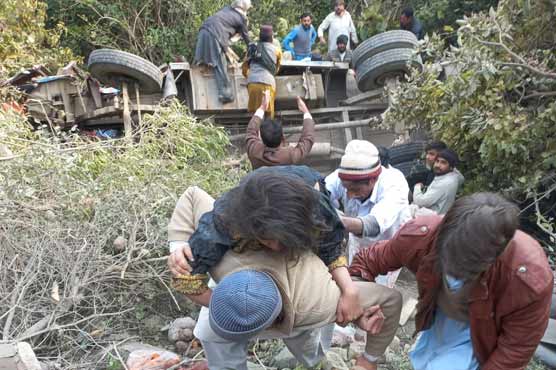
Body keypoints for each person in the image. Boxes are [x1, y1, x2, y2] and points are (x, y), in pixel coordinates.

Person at [167, 173, 403, 370]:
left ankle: (314, 360)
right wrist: (179, 248)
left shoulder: (319, 301)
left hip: (303, 287)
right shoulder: (220, 225)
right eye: (270, 241)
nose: (277, 248)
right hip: (234, 280)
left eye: (282, 242)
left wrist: (350, 293)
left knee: (311, 352)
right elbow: (192, 196)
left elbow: (333, 243)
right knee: (211, 334)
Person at [350, 192, 553, 370]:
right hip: (440, 316)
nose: (457, 273)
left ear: (493, 256)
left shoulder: (528, 280)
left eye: (468, 270)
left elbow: (515, 350)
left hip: (484, 330)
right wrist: (360, 307)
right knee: (426, 361)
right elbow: (367, 262)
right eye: (452, 262)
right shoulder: (422, 235)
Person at [325, 140, 411, 262]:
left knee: (378, 281)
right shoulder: (344, 176)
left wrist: (332, 220)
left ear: (372, 180)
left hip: (389, 249)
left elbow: (373, 225)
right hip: (359, 245)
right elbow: (322, 192)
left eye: (355, 190)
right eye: (346, 189)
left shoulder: (394, 184)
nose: (350, 195)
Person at [194, 0, 252, 103]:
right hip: (215, 35)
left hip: (203, 30)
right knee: (220, 64)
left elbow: (224, 35)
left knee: (200, 60)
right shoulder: (241, 19)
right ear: (245, 9)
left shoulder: (226, 10)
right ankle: (226, 95)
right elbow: (248, 40)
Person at [245, 90, 315, 169]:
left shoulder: (254, 150)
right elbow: (307, 139)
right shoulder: (290, 156)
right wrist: (305, 110)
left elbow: (251, 130)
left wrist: (263, 106)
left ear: (260, 136)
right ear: (282, 138)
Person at [242, 25, 282, 118]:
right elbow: (276, 69)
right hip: (268, 84)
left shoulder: (252, 48)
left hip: (252, 84)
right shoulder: (277, 51)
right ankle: (268, 131)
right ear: (272, 37)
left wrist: (249, 75)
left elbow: (244, 67)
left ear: (260, 36)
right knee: (268, 113)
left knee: (255, 114)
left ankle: (256, 131)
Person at [413, 148, 464, 215]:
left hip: (432, 220)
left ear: (451, 167)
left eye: (443, 162)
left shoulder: (444, 183)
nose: (438, 165)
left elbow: (421, 202)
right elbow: (462, 178)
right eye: (437, 161)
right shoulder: (455, 176)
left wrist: (417, 187)